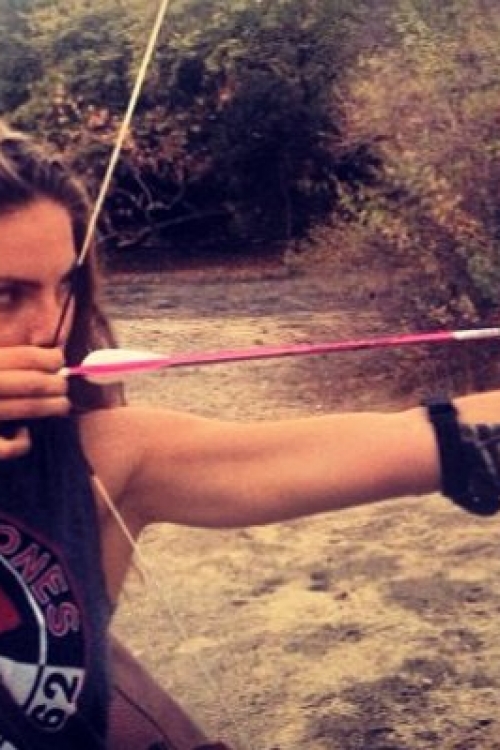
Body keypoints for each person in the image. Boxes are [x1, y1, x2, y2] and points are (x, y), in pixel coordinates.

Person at [0, 120, 500, 750]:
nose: (49, 328)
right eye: (5, 294)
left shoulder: (101, 460)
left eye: (64, 286)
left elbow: (425, 442)